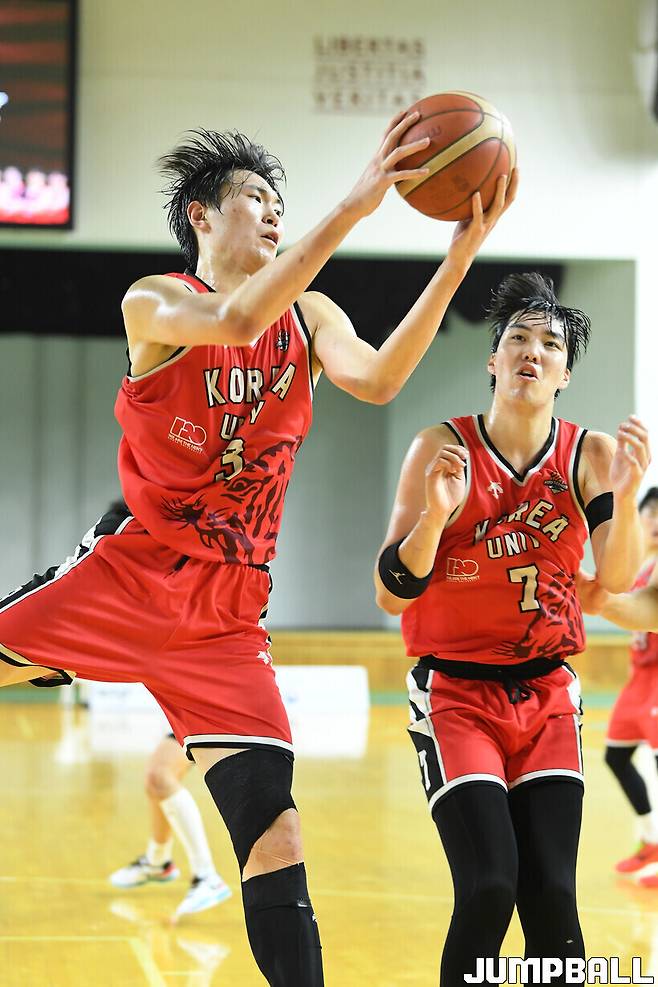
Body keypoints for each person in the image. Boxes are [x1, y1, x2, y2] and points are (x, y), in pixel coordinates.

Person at [0, 118, 515, 986]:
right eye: (255, 198)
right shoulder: (155, 301)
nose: (276, 213)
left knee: (277, 831)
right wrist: (357, 203)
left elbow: (380, 378)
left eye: (282, 202)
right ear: (200, 215)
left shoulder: (310, 316)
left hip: (228, 616)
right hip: (128, 576)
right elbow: (238, 318)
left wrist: (460, 253)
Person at [374, 272, 650, 986]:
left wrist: (624, 495)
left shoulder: (589, 455)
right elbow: (389, 594)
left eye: (551, 345)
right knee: (491, 885)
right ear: (493, 360)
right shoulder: (441, 447)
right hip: (456, 695)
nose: (534, 352)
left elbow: (617, 577)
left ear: (565, 374)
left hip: (548, 693)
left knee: (553, 896)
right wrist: (435, 517)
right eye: (519, 339)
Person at [579, 488, 658, 887]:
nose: (657, 522)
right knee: (616, 756)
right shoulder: (638, 568)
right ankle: (650, 839)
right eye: (652, 514)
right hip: (638, 678)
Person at [109, 731, 232, 919]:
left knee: (160, 776)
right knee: (156, 778)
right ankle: (157, 861)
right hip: (190, 715)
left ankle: (207, 877)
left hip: (219, 718)